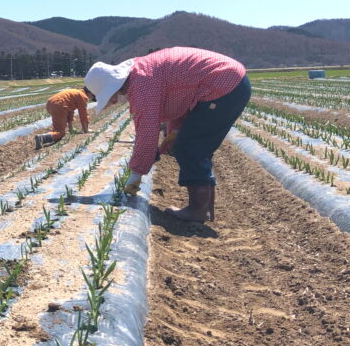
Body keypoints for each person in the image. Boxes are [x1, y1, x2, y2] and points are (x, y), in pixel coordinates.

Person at [84, 47, 251, 222]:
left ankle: (197, 210)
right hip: (229, 82)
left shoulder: (141, 83)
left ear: (114, 88)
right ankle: (205, 208)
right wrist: (173, 134)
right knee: (195, 147)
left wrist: (136, 175)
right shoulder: (142, 72)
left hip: (223, 84)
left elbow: (147, 132)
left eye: (109, 98)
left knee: (190, 147)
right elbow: (180, 104)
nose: (112, 102)